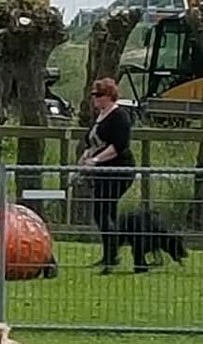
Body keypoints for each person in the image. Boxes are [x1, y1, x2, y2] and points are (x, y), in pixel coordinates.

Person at [78, 77, 136, 274]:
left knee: (103, 211)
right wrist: (86, 155)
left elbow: (118, 146)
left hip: (118, 170)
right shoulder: (100, 116)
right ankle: (109, 254)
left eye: (99, 95)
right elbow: (93, 142)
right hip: (102, 171)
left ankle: (112, 256)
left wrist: (96, 160)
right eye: (94, 95)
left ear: (110, 96)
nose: (95, 98)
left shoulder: (120, 116)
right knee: (103, 212)